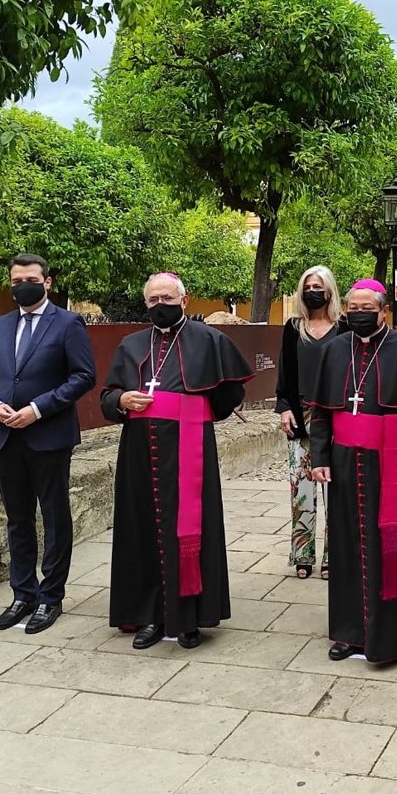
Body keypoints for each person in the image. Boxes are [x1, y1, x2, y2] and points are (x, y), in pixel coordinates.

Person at [99, 273, 252, 650]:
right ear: (145, 303)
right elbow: (107, 396)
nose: (160, 305)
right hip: (139, 452)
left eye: (167, 298)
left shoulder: (210, 339)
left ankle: (189, 617)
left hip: (189, 446)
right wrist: (121, 401)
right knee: (143, 528)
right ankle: (149, 614)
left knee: (191, 527)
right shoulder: (131, 344)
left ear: (184, 301)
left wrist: (196, 411)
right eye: (153, 299)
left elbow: (231, 391)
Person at [308, 279, 397, 666]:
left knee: (395, 544)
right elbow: (320, 413)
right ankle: (349, 633)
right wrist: (319, 458)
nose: (358, 314)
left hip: (392, 461)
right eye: (352, 308)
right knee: (346, 546)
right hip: (343, 462)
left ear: (384, 310)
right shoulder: (334, 349)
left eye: (366, 308)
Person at [0, 253, 97, 635]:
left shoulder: (68, 323)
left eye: (30, 279)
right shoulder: (0, 325)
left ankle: (50, 596)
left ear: (47, 282)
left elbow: (83, 376)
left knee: (55, 517)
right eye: (16, 281)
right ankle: (22, 593)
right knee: (17, 518)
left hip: (48, 436)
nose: (22, 286)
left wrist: (37, 409)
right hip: (5, 436)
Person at [275, 266, 343, 580]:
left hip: (336, 415)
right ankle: (303, 554)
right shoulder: (293, 328)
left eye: (318, 286)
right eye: (308, 286)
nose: (313, 291)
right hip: (301, 415)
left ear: (329, 291)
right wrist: (284, 408)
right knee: (301, 489)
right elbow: (285, 372)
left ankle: (334, 556)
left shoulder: (344, 328)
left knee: (334, 488)